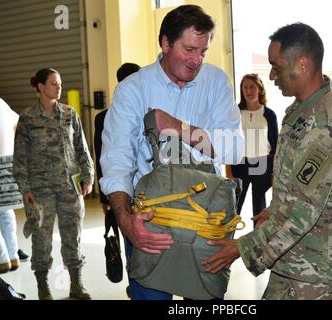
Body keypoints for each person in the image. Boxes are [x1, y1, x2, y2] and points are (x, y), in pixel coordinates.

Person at [202, 22, 332, 300]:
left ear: (302, 65)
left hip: (319, 271)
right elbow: (300, 186)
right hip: (294, 259)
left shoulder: (324, 125)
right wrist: (276, 208)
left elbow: (302, 212)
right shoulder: (300, 110)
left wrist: (241, 248)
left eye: (276, 66)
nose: (271, 75)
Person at [100, 4, 244, 300]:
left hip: (205, 221)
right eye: (189, 49)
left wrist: (180, 128)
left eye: (203, 52)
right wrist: (126, 223)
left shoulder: (216, 83)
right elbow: (117, 162)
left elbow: (236, 148)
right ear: (165, 43)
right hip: (151, 222)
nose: (197, 61)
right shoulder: (132, 90)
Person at [12, 68, 94, 300]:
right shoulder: (27, 118)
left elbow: (82, 148)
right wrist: (25, 188)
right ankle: (43, 287)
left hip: (70, 187)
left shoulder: (69, 114)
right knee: (41, 237)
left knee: (73, 235)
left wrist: (88, 177)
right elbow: (20, 157)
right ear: (40, 86)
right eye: (53, 84)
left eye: (60, 84)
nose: (59, 88)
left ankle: (76, 285)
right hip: (40, 190)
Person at [94, 62, 140, 298]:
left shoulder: (150, 110)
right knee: (129, 238)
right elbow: (103, 157)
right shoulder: (104, 117)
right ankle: (135, 284)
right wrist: (106, 198)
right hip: (121, 191)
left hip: (144, 191)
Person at [227, 73, 278, 221]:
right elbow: (229, 143)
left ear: (260, 89)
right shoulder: (234, 113)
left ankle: (258, 242)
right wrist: (229, 170)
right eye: (245, 87)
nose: (249, 91)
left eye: (252, 87)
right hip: (240, 164)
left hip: (263, 165)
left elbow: (276, 147)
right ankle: (227, 239)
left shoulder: (269, 115)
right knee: (234, 206)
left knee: (259, 208)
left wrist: (275, 172)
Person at [0, 82, 21, 274]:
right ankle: (12, 256)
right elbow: (17, 125)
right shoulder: (1, 103)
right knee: (4, 212)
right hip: (6, 164)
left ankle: (0, 259)